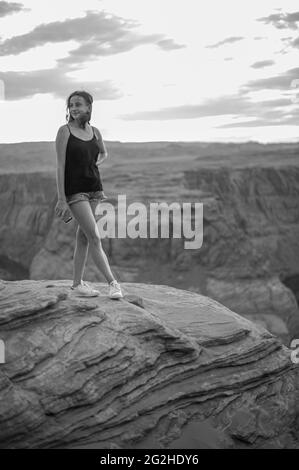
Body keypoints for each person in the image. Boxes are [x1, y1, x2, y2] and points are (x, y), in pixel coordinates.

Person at [54, 90, 123, 299]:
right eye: (71, 105)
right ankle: (113, 283)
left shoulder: (95, 132)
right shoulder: (64, 131)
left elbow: (103, 153)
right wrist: (61, 198)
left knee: (83, 236)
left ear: (88, 108)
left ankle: (77, 285)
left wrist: (94, 163)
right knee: (94, 235)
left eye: (78, 104)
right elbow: (60, 166)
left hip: (94, 188)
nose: (74, 108)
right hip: (75, 191)